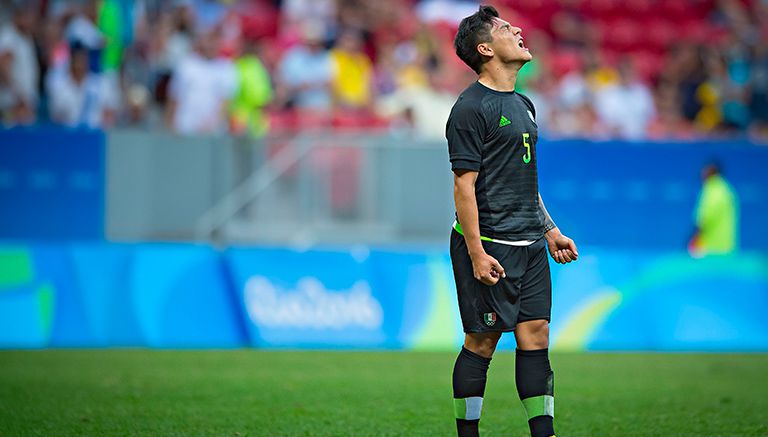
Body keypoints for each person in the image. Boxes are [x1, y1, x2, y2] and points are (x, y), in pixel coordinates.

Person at [446, 6, 578, 437]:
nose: (517, 29)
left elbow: (525, 182)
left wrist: (550, 230)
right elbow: (464, 189)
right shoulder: (469, 109)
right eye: (505, 28)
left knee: (536, 334)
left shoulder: (524, 104)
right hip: (488, 244)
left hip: (530, 244)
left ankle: (544, 434)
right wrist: (477, 253)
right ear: (485, 49)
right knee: (482, 342)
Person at [689, 162, 739, 256]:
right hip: (727, 248)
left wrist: (695, 239)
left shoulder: (712, 190)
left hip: (711, 250)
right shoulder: (726, 190)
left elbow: (704, 219)